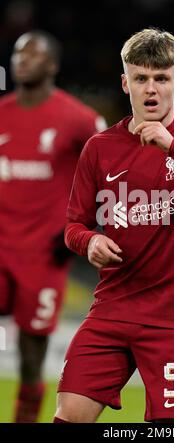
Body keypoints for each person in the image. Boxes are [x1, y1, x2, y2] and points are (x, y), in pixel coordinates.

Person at [54, 28, 174, 423]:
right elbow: (73, 224)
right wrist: (88, 241)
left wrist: (173, 146)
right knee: (69, 414)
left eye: (161, 78)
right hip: (111, 310)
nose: (151, 88)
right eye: (141, 78)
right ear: (126, 83)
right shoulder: (100, 148)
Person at [0, 30, 107, 423]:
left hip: (42, 255)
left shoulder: (77, 119)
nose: (22, 60)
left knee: (30, 359)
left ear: (53, 65)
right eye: (17, 53)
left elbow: (111, 169)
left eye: (33, 54)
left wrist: (83, 226)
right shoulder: (2, 113)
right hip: (0, 245)